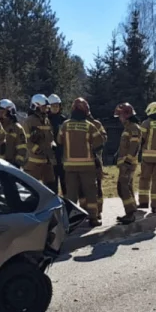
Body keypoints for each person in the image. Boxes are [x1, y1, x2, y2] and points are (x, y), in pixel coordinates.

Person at [59, 97, 103, 227]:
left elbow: (59, 141)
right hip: (87, 167)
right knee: (90, 193)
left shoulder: (65, 125)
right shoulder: (90, 126)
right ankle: (93, 218)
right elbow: (99, 144)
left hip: (69, 167)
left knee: (71, 194)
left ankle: (70, 221)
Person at [23, 95, 58, 192]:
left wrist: (53, 145)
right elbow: (26, 140)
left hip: (47, 162)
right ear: (36, 106)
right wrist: (36, 149)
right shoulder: (29, 121)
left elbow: (50, 138)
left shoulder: (46, 120)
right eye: (44, 107)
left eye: (47, 107)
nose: (46, 110)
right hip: (34, 163)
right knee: (31, 190)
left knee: (52, 190)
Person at [113, 103, 141, 223]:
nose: (119, 118)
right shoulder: (128, 127)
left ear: (127, 115)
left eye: (120, 116)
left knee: (122, 187)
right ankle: (131, 211)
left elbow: (134, 147)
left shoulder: (133, 128)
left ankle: (130, 213)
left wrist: (127, 162)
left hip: (128, 164)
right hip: (125, 163)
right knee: (126, 187)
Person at [86, 109, 108, 220]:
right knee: (87, 187)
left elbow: (104, 137)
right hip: (84, 160)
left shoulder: (96, 124)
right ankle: (88, 211)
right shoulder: (77, 123)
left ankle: (98, 211)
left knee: (97, 186)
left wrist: (95, 144)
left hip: (96, 160)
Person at [0, 99, 28, 168]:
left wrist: (16, 164)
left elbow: (22, 148)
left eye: (2, 112)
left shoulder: (17, 128)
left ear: (10, 112)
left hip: (10, 166)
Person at [47, 94, 66, 194]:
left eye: (57, 105)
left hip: (62, 155)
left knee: (65, 184)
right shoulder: (46, 120)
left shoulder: (63, 120)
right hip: (50, 157)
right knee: (52, 185)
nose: (55, 108)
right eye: (53, 106)